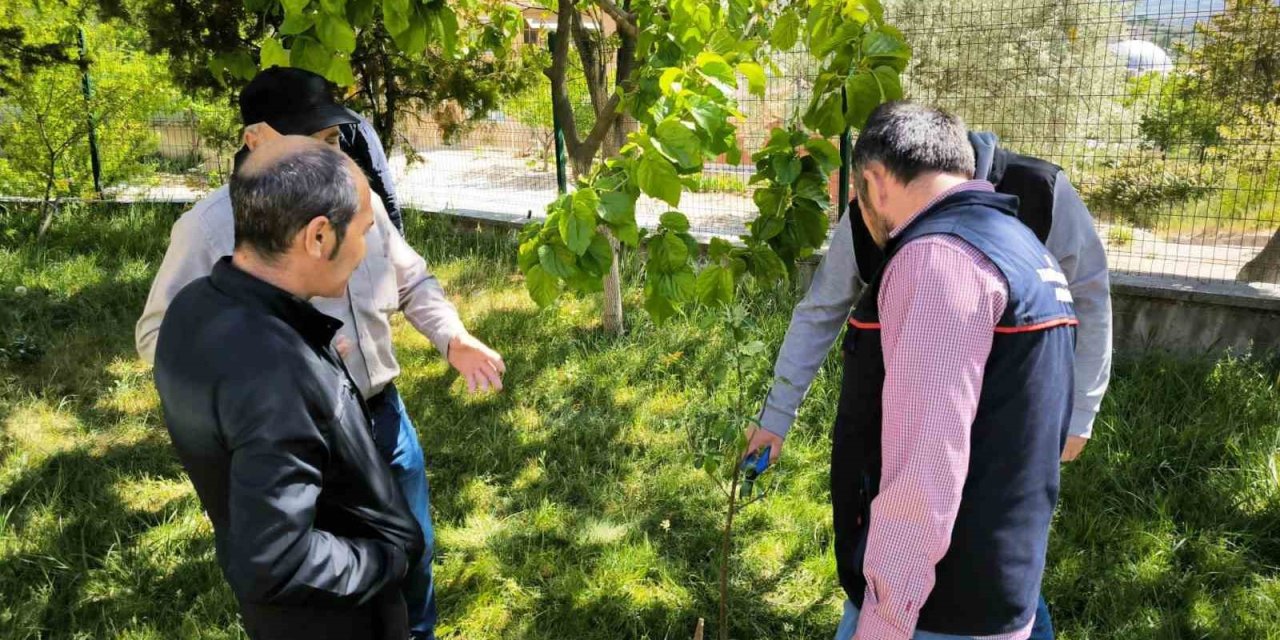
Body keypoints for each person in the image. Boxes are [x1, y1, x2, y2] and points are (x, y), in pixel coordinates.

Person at [137, 67, 505, 640]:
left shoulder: (353, 197)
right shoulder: (208, 229)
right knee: (346, 585)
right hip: (306, 441)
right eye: (316, 142)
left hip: (381, 415)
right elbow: (167, 336)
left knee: (415, 551)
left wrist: (452, 336)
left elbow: (412, 280)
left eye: (335, 141)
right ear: (257, 140)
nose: (334, 158)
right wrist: (274, 376)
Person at [748, 123, 1112, 640]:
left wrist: (885, 619)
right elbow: (820, 309)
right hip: (996, 549)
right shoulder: (1006, 237)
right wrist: (775, 416)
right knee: (1002, 562)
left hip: (936, 589)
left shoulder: (945, 256)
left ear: (876, 180)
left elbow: (924, 473)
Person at [154, 136, 423, 639]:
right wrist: (387, 560)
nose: (365, 249)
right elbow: (278, 561)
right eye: (363, 231)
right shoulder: (274, 376)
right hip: (337, 621)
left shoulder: (196, 307)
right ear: (319, 237)